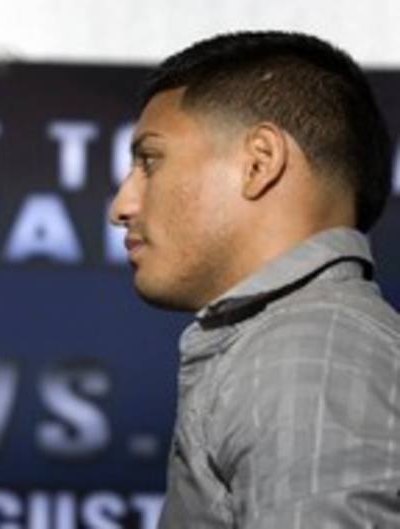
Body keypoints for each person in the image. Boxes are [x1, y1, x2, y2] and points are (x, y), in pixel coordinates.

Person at [109, 31, 400, 528]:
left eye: (150, 161)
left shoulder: (309, 350)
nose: (122, 206)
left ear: (259, 162)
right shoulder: (297, 341)